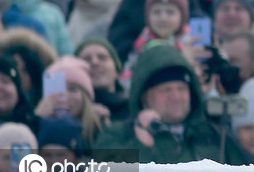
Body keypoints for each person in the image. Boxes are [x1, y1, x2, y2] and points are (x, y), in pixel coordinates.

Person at [93, 44, 242, 164]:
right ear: (144, 96)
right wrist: (141, 146)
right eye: (166, 90)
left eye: (182, 88)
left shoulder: (214, 135)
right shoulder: (119, 135)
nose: (176, 97)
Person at [120, 0, 191, 85]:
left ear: (182, 16)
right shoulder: (141, 45)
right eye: (157, 12)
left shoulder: (190, 42)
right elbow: (128, 76)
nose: (163, 18)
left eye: (170, 12)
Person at [74, 37, 129, 122]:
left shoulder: (134, 108)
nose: (94, 62)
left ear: (117, 72)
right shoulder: (70, 111)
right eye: (86, 59)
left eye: (102, 57)